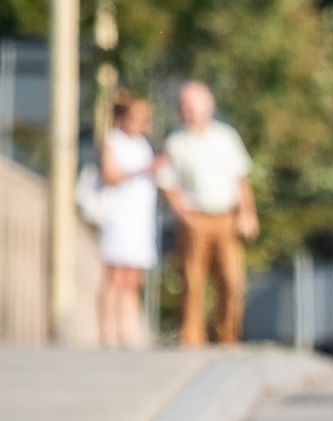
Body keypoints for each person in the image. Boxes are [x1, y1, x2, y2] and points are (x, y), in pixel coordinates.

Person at [156, 81, 257, 347]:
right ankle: (191, 339)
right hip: (195, 217)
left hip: (225, 217)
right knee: (192, 281)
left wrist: (247, 213)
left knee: (232, 281)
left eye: (193, 106)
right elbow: (166, 183)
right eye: (184, 107)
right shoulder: (176, 143)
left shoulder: (226, 137)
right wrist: (181, 212)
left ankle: (227, 337)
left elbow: (240, 179)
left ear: (208, 107)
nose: (188, 112)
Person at [96, 92, 159, 348]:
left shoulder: (143, 145)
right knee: (115, 275)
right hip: (119, 216)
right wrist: (142, 170)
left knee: (133, 278)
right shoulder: (113, 142)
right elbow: (109, 175)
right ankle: (108, 333)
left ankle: (128, 332)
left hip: (140, 218)